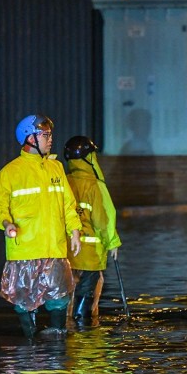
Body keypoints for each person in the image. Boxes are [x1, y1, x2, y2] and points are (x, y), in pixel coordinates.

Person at [0, 114, 82, 335]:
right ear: (29, 138)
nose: (50, 139)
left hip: (54, 248)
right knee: (23, 301)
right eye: (45, 135)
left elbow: (68, 204)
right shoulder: (10, 172)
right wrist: (6, 223)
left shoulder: (56, 168)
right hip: (25, 250)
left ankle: (57, 342)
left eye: (50, 135)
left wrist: (75, 230)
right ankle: (29, 345)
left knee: (59, 299)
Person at [63, 136, 122, 324]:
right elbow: (104, 217)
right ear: (89, 158)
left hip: (65, 252)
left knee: (66, 300)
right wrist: (112, 242)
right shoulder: (95, 185)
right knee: (86, 303)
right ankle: (84, 337)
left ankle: (67, 337)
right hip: (89, 255)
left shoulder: (62, 182)